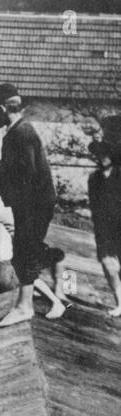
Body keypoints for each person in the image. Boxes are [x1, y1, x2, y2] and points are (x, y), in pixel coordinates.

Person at [0, 83, 67, 326]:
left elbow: (27, 176)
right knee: (25, 251)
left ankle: (25, 306)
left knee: (25, 251)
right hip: (30, 203)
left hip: (33, 204)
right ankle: (32, 301)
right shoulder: (18, 132)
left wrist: (2, 175)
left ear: (1, 108)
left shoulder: (21, 133)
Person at [87, 115, 121, 316]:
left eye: (104, 153)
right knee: (109, 264)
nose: (101, 158)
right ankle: (119, 302)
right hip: (104, 228)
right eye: (98, 155)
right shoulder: (94, 179)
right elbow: (94, 205)